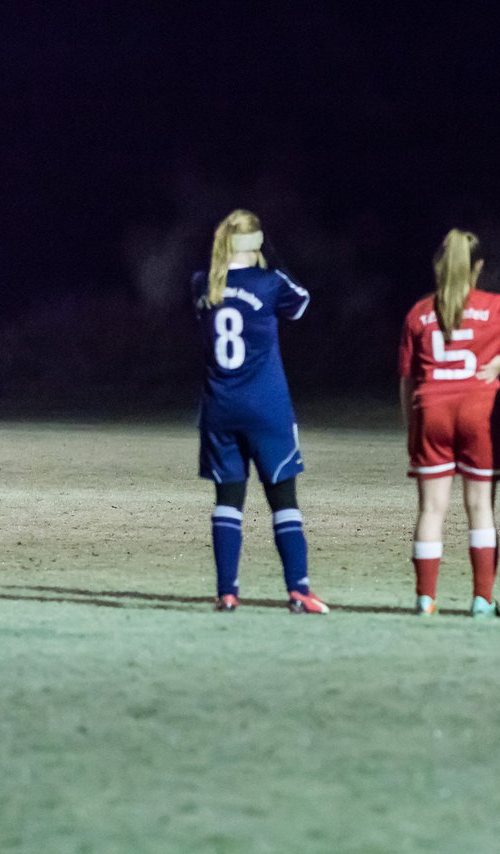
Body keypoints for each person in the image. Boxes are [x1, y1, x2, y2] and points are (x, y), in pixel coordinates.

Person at [398, 229, 500, 617]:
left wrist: (411, 425)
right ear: (478, 266)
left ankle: (425, 599)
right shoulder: (495, 305)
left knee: (431, 510)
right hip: (478, 411)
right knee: (480, 508)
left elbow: (407, 380)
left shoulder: (419, 312)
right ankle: (482, 599)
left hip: (432, 409)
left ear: (438, 265)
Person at [191, 209, 328, 614]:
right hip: (267, 409)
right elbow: (301, 302)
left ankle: (227, 593)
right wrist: (274, 260)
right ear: (257, 246)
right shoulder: (270, 283)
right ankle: (298, 591)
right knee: (283, 499)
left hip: (219, 410)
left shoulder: (202, 283)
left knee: (227, 501)